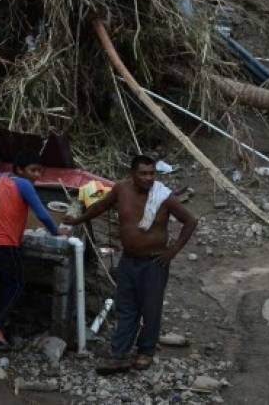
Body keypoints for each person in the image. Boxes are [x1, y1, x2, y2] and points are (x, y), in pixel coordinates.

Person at [64, 154, 197, 373]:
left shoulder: (163, 196)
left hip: (155, 262)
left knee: (151, 309)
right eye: (143, 174)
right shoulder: (121, 189)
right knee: (126, 307)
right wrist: (78, 220)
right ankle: (120, 353)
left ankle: (146, 351)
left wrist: (172, 251)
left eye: (152, 173)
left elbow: (190, 221)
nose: (148, 178)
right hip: (128, 260)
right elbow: (100, 207)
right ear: (132, 174)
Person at [0, 150, 64, 350]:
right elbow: (42, 214)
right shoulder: (24, 185)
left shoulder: (1, 178)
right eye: (33, 170)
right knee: (16, 285)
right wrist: (57, 233)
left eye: (40, 171)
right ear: (20, 170)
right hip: (4, 245)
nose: (37, 175)